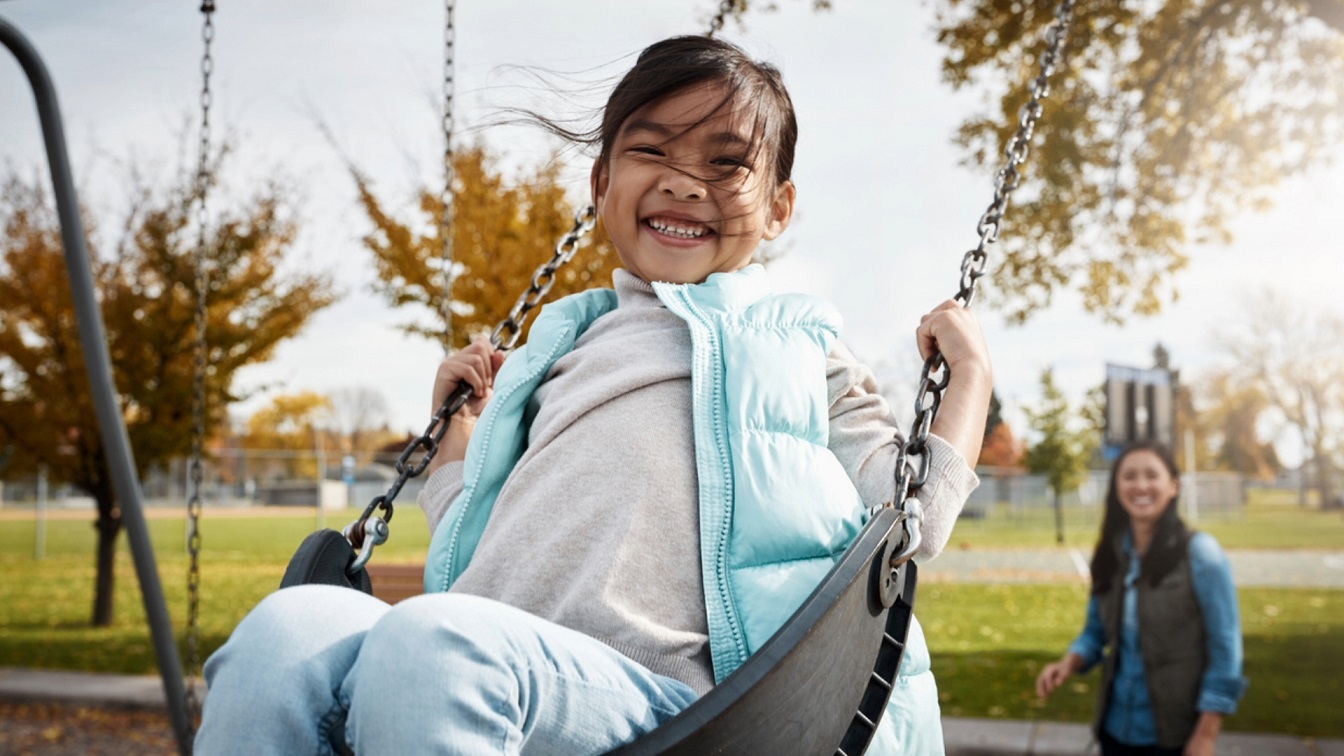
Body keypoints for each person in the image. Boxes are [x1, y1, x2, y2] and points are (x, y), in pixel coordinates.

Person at [196, 34, 992, 755]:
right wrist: (453, 450)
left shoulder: (799, 346)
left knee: (436, 643)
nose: (684, 182)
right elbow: (497, 532)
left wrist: (970, 381)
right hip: (487, 658)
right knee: (283, 634)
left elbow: (909, 519)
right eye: (653, 150)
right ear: (603, 179)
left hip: (674, 706)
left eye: (725, 163)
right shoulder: (560, 345)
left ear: (779, 207)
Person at [1034, 440, 1248, 756]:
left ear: (1174, 486)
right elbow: (1096, 631)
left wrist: (1206, 734)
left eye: (1152, 475)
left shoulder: (1202, 554)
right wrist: (1069, 662)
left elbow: (1226, 651)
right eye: (1129, 476)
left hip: (1174, 737)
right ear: (1117, 486)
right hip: (1114, 731)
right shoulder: (1112, 553)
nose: (1140, 485)